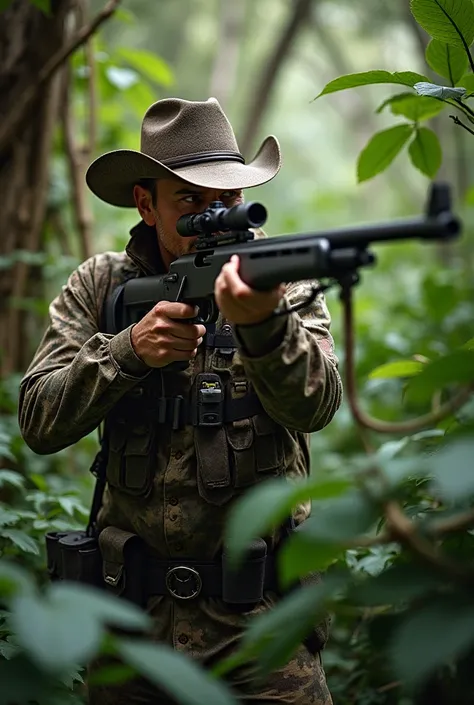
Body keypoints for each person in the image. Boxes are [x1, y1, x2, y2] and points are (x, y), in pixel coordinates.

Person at [18, 97, 342, 704]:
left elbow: (318, 405)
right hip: (131, 630)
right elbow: (37, 419)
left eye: (226, 199)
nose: (214, 216)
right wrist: (127, 352)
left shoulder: (280, 275)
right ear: (146, 204)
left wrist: (265, 326)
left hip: (263, 634)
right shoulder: (101, 285)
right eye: (190, 201)